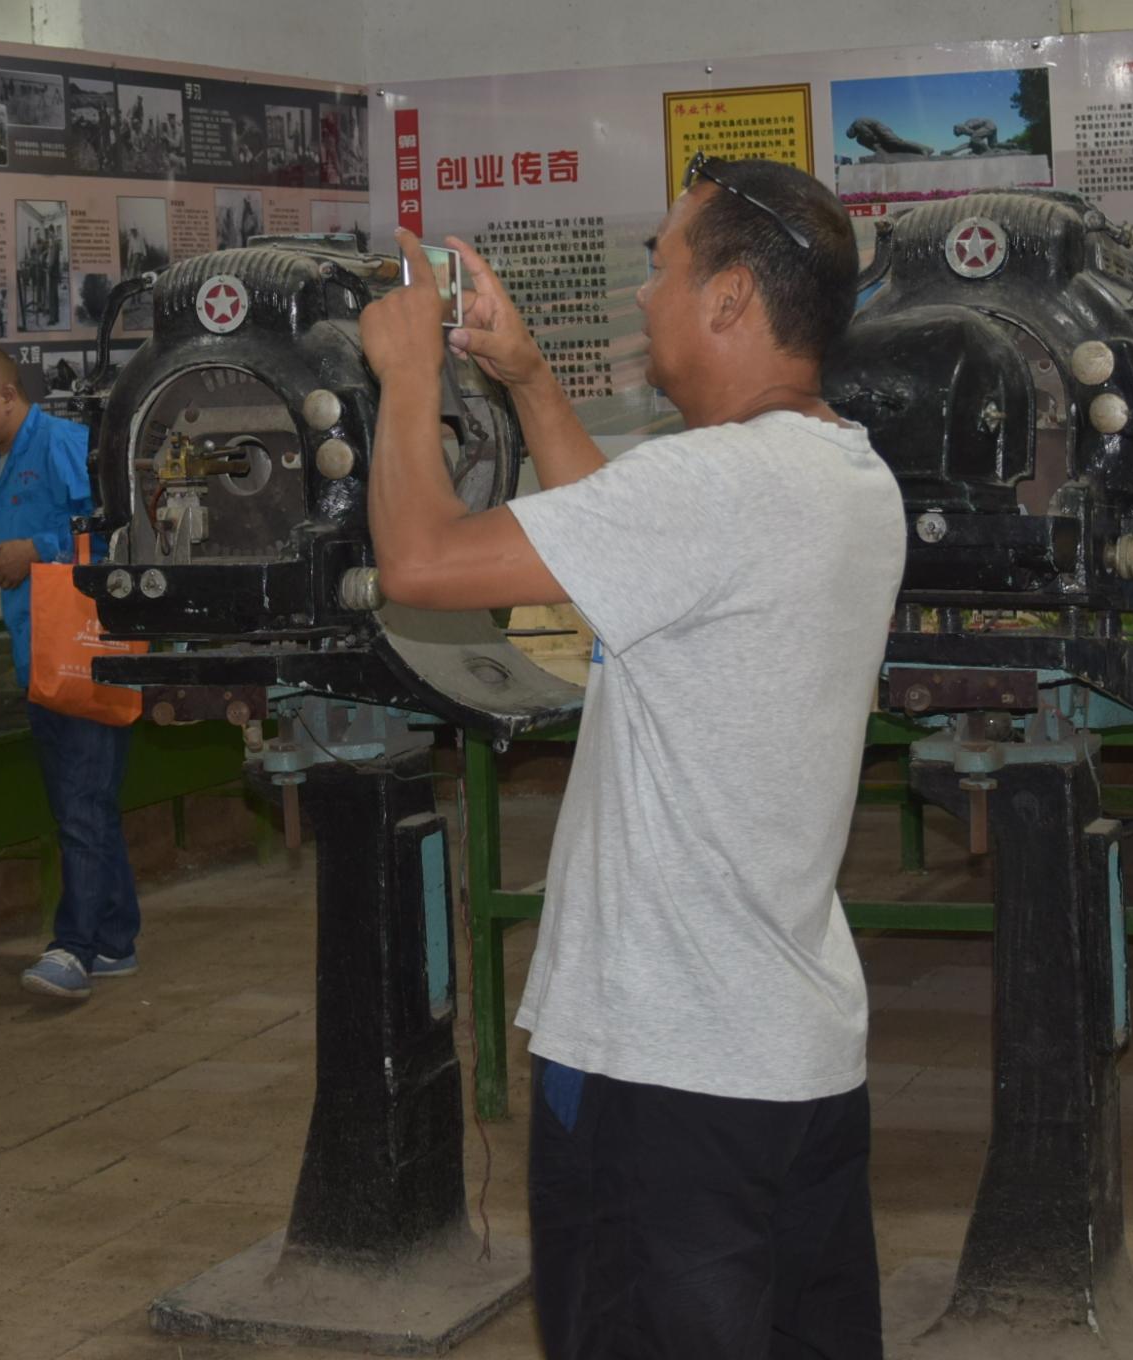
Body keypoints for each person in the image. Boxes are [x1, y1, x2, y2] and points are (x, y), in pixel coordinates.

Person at [358, 157, 905, 1358]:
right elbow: (633, 554)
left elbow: (420, 562)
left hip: (663, 1068)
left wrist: (405, 378)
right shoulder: (844, 473)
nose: (645, 294)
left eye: (662, 267)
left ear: (730, 296)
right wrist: (526, 376)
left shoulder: (712, 482)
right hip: (789, 1060)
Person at [0, 343, 138, 1003]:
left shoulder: (63, 446)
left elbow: (118, 535)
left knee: (82, 806)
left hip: (86, 655)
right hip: (41, 659)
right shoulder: (1, 457)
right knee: (83, 804)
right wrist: (12, 559)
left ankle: (73, 949)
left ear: (6, 393)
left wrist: (38, 550)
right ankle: (114, 940)